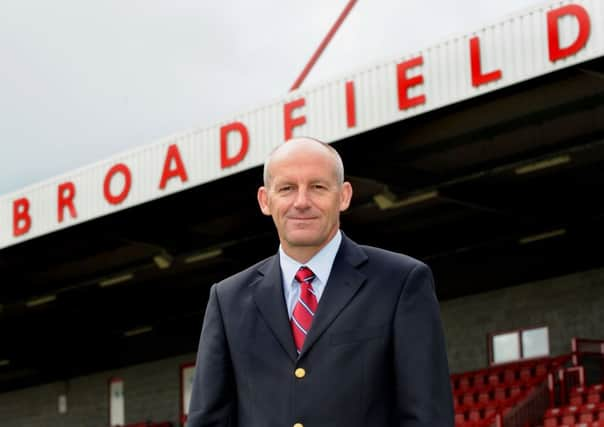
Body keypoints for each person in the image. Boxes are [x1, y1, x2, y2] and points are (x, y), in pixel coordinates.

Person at [187, 137, 454, 427]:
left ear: (344, 195)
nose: (301, 202)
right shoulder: (227, 300)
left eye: (317, 187)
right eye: (287, 188)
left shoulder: (401, 281)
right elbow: (208, 420)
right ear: (265, 200)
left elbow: (428, 417)